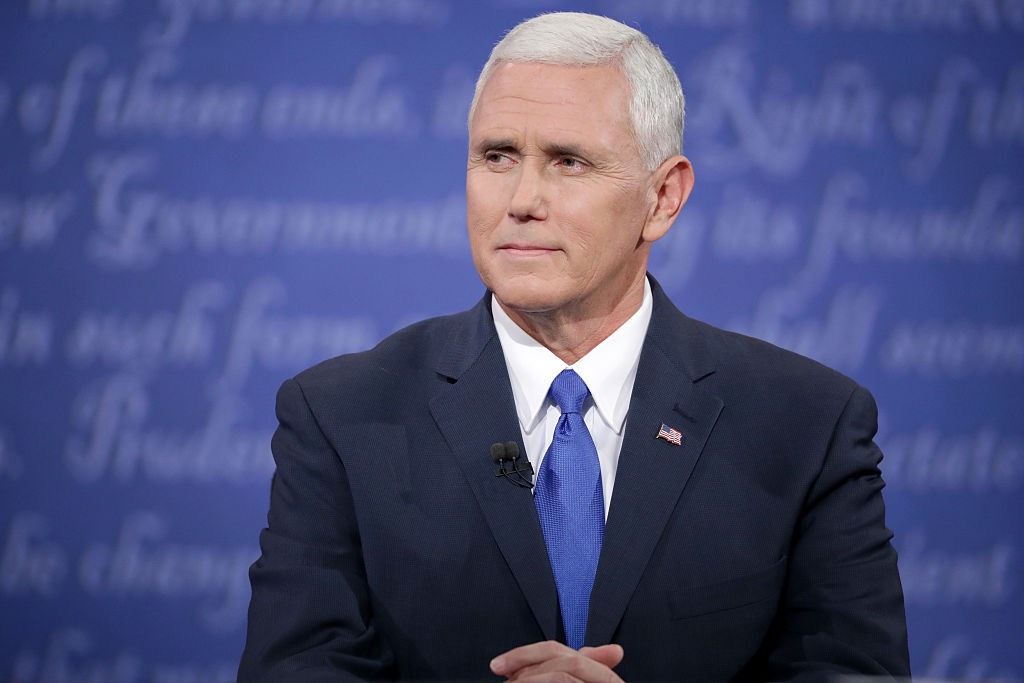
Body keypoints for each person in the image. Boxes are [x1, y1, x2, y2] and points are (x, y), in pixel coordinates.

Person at [238, 12, 910, 683]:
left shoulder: (806, 426)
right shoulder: (341, 416)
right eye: (497, 156)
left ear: (663, 198)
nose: (522, 198)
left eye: (570, 161)